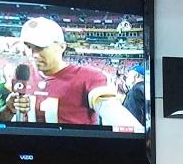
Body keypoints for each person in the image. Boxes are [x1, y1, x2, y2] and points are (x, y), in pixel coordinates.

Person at [11, 17, 141, 129]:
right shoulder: (23, 73)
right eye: (29, 47)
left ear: (62, 47)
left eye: (40, 47)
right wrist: (9, 108)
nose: (33, 54)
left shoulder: (89, 77)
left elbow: (116, 115)